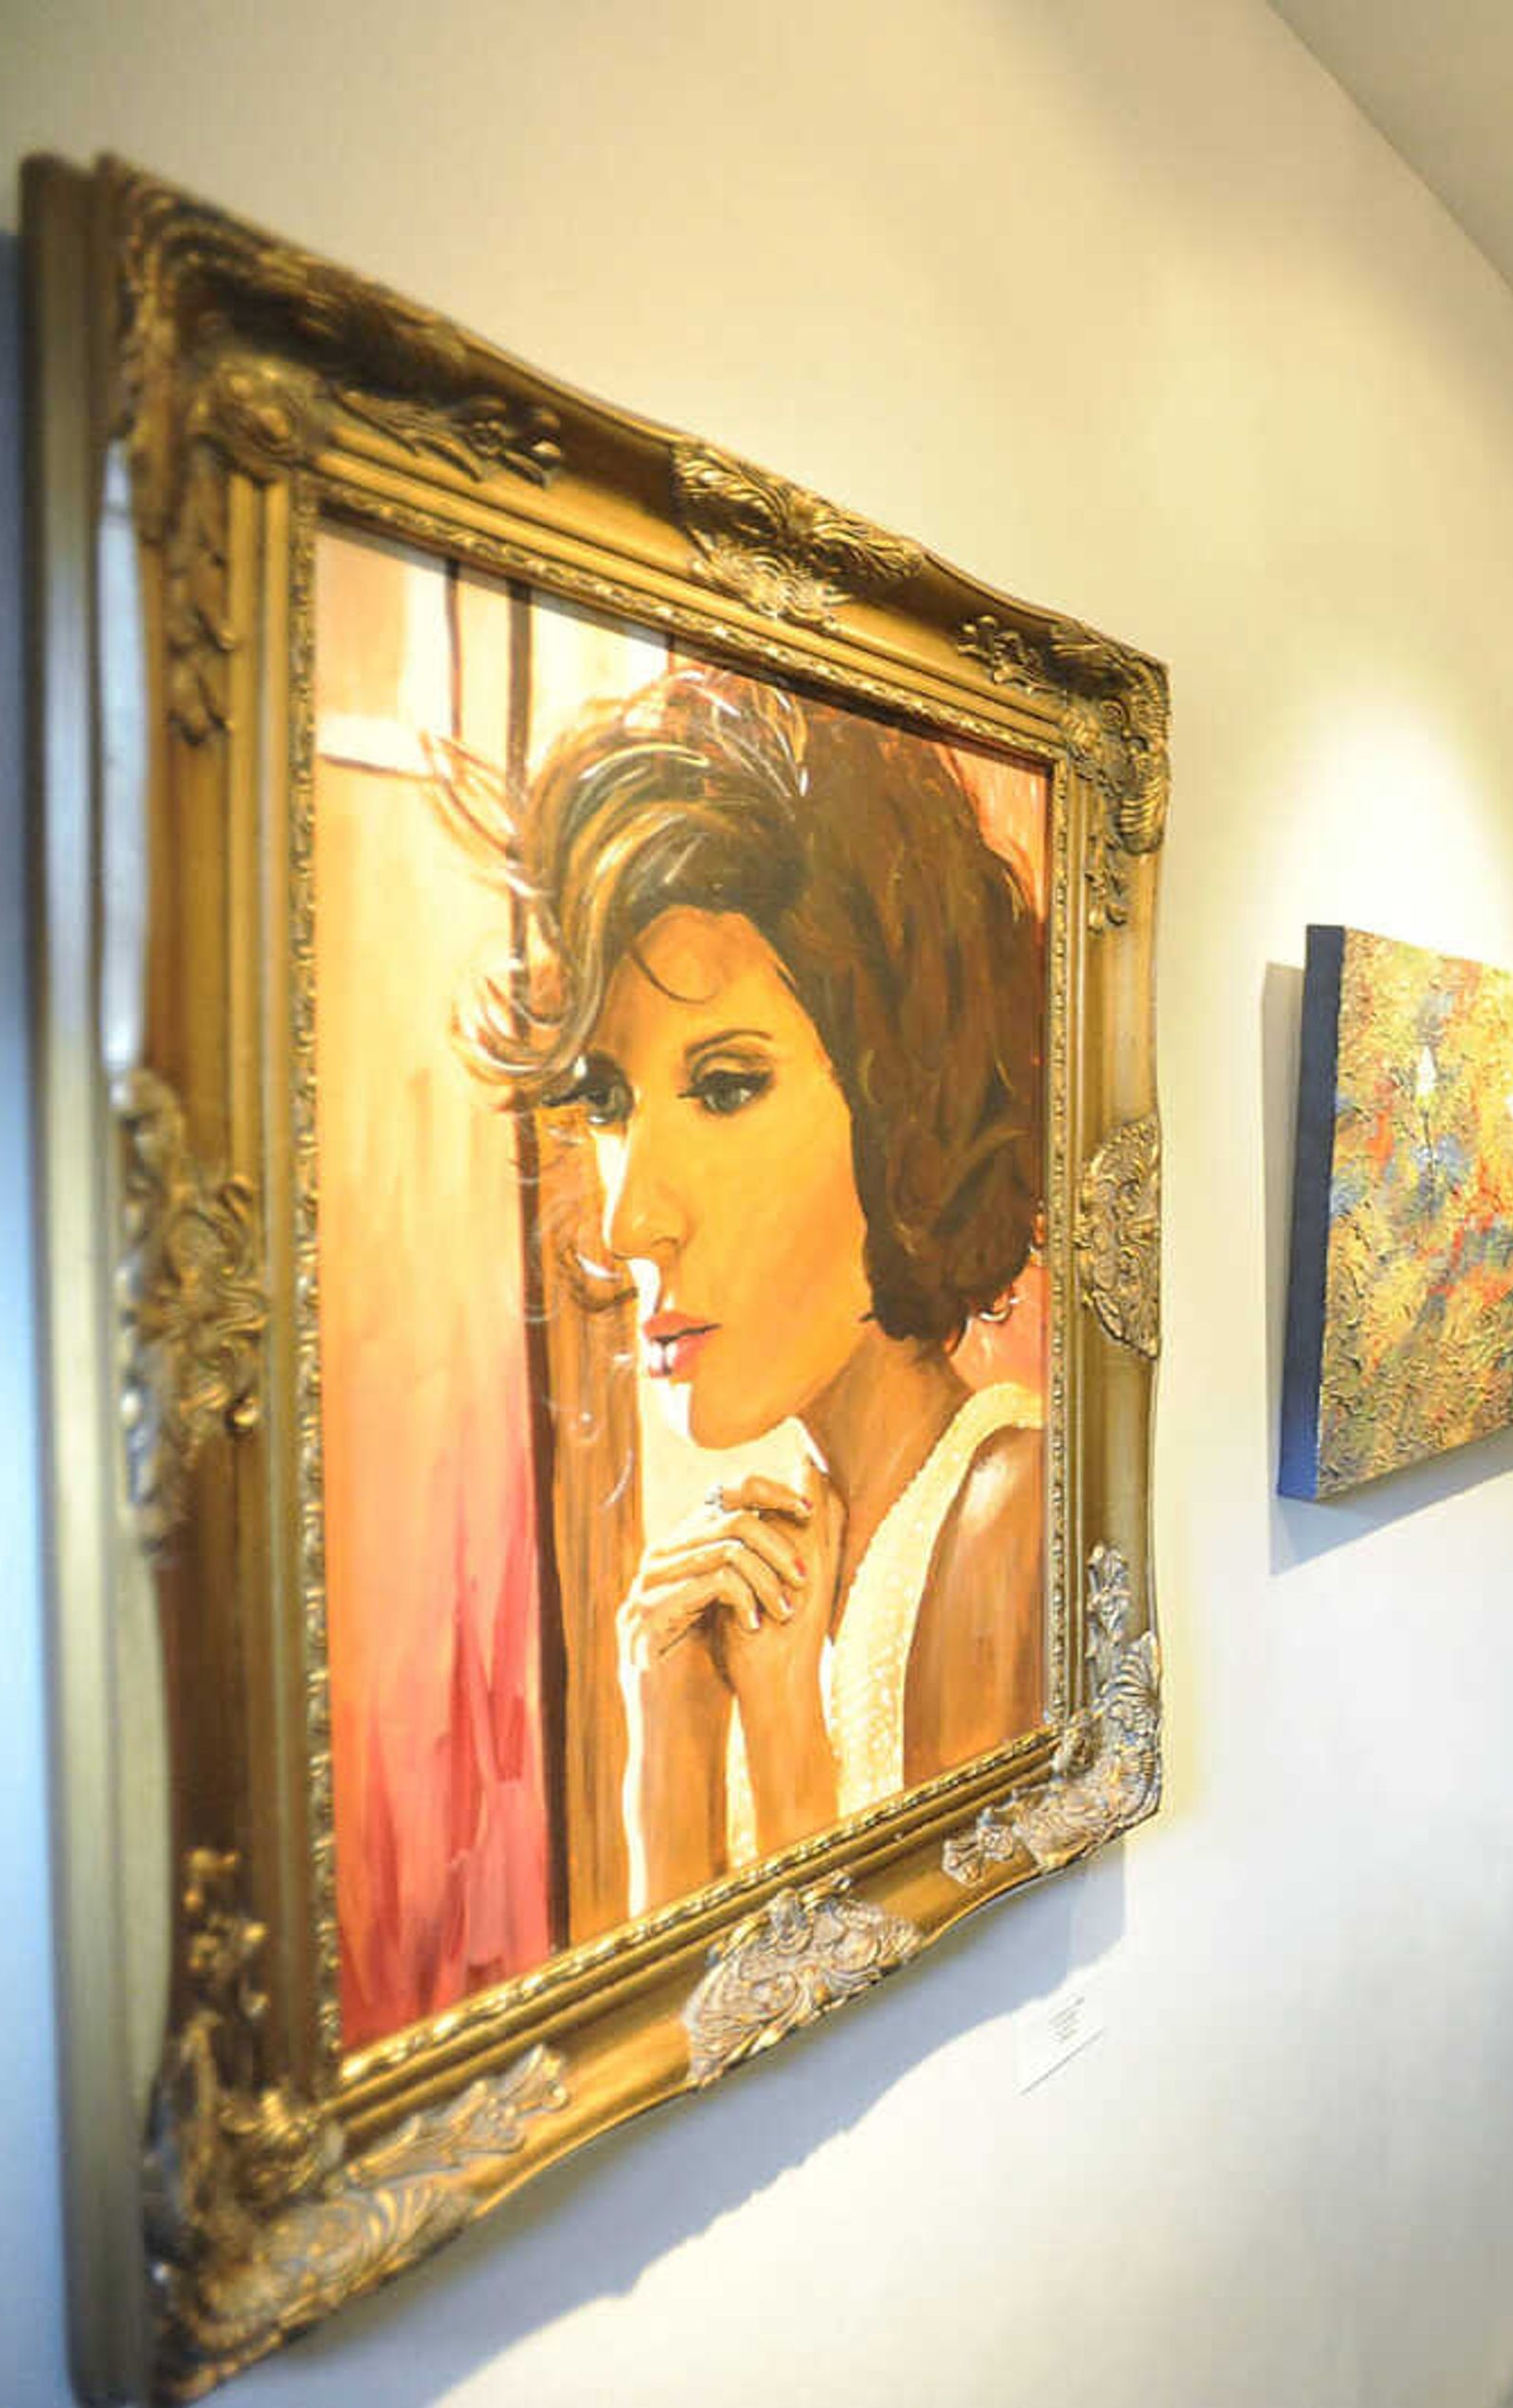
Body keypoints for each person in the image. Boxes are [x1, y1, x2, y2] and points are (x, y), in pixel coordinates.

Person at [461, 667, 1050, 1916]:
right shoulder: (809, 1542)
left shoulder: (1007, 1519)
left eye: (726, 1087)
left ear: (902, 1109)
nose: (631, 1218)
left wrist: (782, 1736)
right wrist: (666, 1744)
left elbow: (908, 2011)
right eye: (612, 1105)